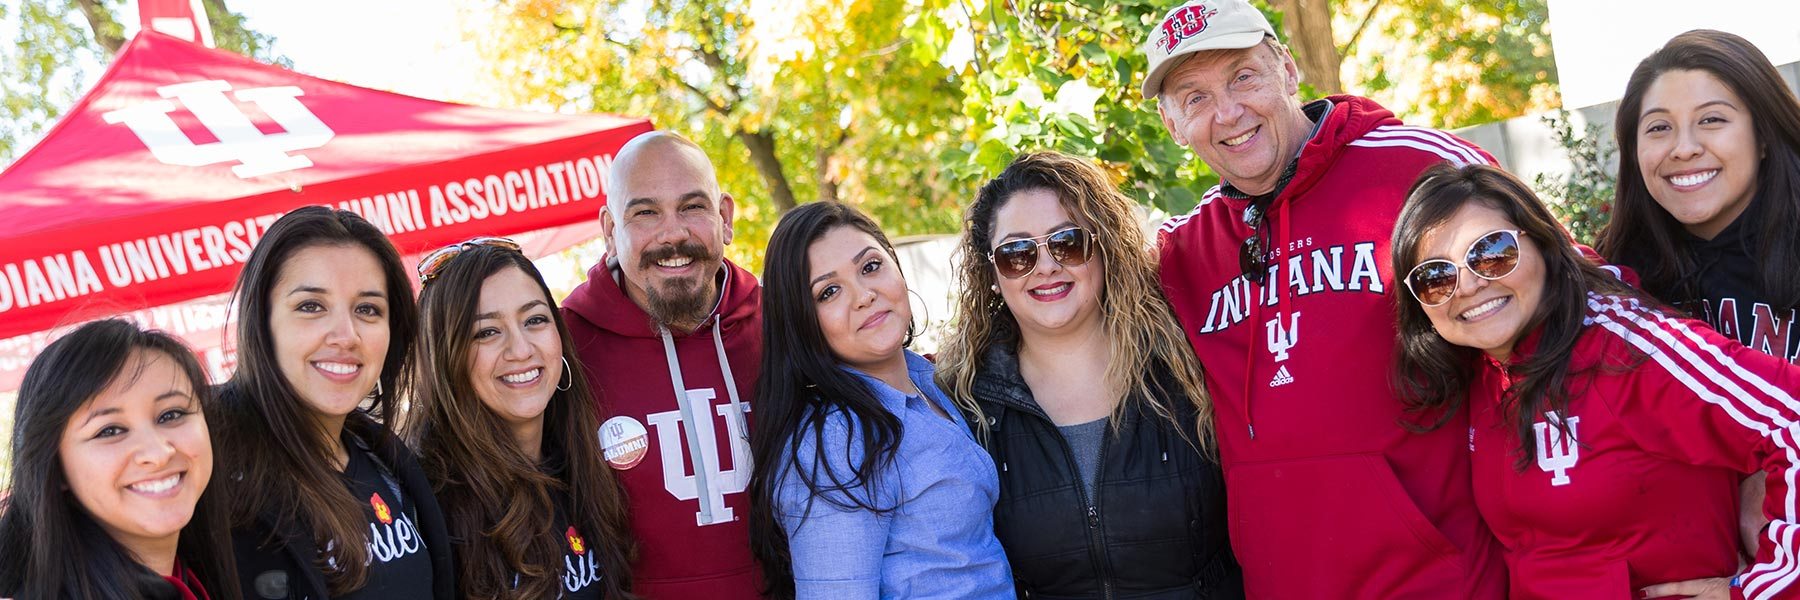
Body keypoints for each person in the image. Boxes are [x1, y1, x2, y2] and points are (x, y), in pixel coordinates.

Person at [1140, 0, 1506, 596]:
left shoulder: (1423, 170)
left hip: (1441, 581)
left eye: (1243, 75)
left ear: (1286, 68)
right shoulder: (1181, 255)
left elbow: (1570, 310)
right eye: (1195, 98)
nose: (1228, 112)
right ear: (1173, 126)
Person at [1392, 162, 1800, 599]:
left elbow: (1791, 416)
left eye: (1491, 253)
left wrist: (1764, 586)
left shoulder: (1626, 346)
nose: (1469, 286)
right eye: (1435, 277)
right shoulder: (1478, 372)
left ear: (1543, 244)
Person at [934, 151, 1242, 598]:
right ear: (993, 273)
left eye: (1067, 241)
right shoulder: (967, 406)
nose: (1046, 266)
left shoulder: (1188, 365)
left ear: (1103, 248)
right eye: (1017, 253)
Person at [746, 201, 1013, 599]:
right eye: (829, 291)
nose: (864, 295)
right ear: (802, 323)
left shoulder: (932, 384)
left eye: (870, 266)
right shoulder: (836, 441)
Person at [209, 207, 454, 600]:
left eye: (367, 309)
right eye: (311, 306)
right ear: (262, 321)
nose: (346, 335)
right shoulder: (205, 464)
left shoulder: (385, 459)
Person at [562, 131, 762, 597]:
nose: (672, 234)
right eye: (645, 212)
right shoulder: (564, 345)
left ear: (725, 218)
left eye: (692, 207)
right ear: (611, 231)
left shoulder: (782, 326)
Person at [407, 237, 636, 599]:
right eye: (486, 332)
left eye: (535, 320)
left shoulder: (583, 470)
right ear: (445, 359)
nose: (521, 349)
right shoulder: (423, 502)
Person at [0, 320, 240, 600]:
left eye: (171, 415)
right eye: (110, 430)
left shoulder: (205, 571)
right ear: (56, 468)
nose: (158, 454)